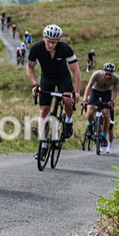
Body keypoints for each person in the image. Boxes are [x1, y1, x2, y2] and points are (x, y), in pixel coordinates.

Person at [26, 24, 82, 152]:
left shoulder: (65, 49)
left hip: (63, 78)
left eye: (54, 43)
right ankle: (44, 144)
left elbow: (76, 71)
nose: (50, 45)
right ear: (43, 37)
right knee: (44, 112)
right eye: (48, 41)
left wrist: (77, 92)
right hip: (47, 79)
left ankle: (68, 120)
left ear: (58, 41)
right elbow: (30, 68)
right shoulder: (37, 48)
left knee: (68, 100)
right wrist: (35, 85)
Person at [83, 62, 119, 154]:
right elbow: (89, 86)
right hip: (95, 91)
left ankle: (103, 136)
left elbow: (115, 90)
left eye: (110, 74)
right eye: (106, 74)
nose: (108, 76)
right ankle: (90, 125)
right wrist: (84, 99)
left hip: (107, 93)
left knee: (106, 114)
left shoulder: (116, 78)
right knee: (90, 110)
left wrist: (112, 100)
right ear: (103, 72)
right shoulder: (96, 74)